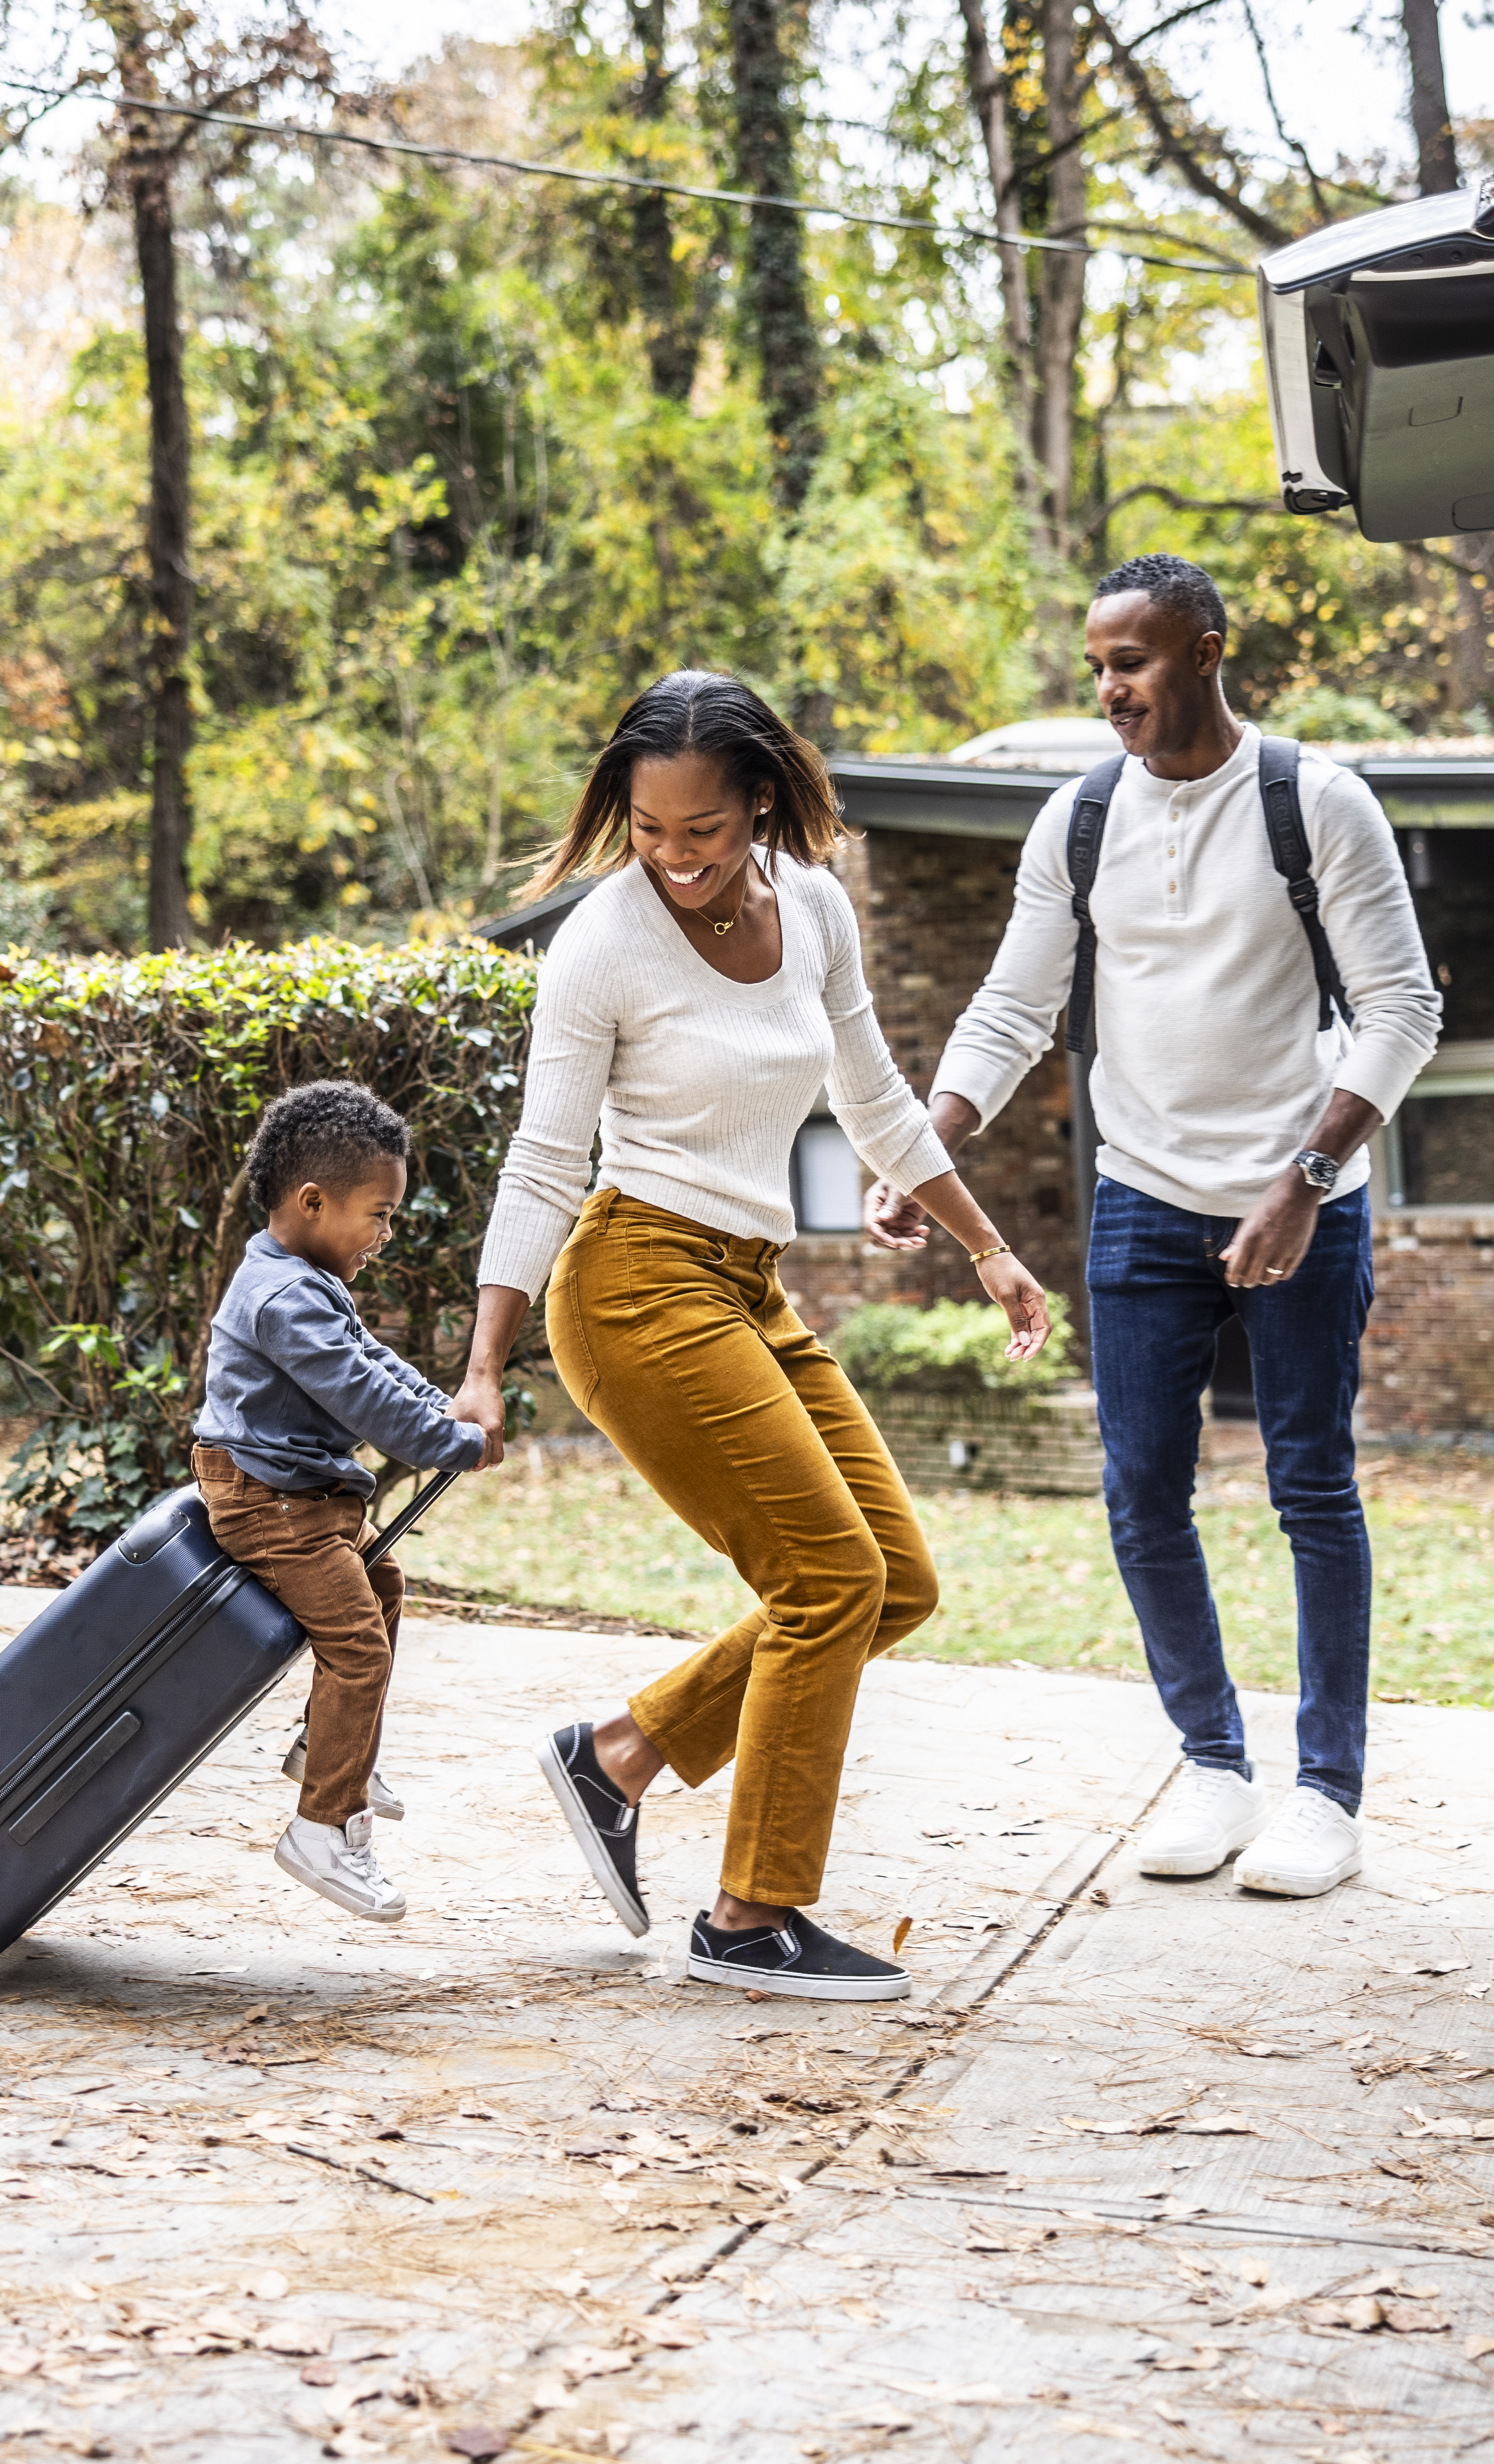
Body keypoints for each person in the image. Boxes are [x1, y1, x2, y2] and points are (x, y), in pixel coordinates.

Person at [450, 672, 1048, 2004]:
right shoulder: (603, 943)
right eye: (650, 831)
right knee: (828, 1581)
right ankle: (749, 1919)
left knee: (895, 1579)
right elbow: (544, 1164)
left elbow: (876, 1097)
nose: (674, 858)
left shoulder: (817, 907)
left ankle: (619, 1753)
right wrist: (485, 1368)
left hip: (743, 1283)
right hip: (630, 1285)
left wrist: (989, 1246)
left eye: (703, 832)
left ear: (761, 800)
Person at [868, 554, 1441, 1899]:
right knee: (1140, 1496)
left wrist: (1303, 1178)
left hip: (1303, 1195)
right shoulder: (1077, 824)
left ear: (1205, 650)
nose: (1111, 690)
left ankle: (1328, 1795)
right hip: (1140, 1199)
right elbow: (1011, 1014)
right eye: (1098, 669)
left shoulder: (1317, 803)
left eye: (1131, 662)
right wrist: (921, 1145)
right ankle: (1214, 1764)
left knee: (1311, 1487)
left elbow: (1403, 1011)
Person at [194, 1080, 501, 1924]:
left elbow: (373, 1361)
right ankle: (323, 1826)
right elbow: (359, 1397)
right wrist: (453, 1442)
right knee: (358, 1647)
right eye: (380, 1213)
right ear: (314, 1200)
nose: (387, 1234)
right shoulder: (286, 1298)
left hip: (300, 1498)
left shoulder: (300, 1278)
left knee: (383, 1584)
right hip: (270, 1505)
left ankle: (331, 1754)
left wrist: (445, 1404)